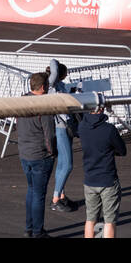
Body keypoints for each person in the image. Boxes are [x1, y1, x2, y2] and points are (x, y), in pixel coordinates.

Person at [16, 71, 57, 238]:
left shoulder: (20, 102)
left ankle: (29, 228)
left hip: (25, 153)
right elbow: (49, 135)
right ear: (42, 87)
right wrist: (52, 152)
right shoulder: (43, 106)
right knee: (39, 195)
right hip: (40, 155)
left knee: (31, 191)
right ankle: (38, 231)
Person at [78, 107, 127, 239]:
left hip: (90, 180)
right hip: (107, 180)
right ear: (101, 109)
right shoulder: (109, 129)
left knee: (90, 219)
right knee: (109, 222)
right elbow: (122, 150)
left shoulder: (82, 127)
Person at [47, 60, 80, 214]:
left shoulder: (60, 85)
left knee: (62, 163)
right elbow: (53, 64)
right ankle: (55, 199)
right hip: (60, 128)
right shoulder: (52, 85)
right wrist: (56, 64)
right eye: (65, 72)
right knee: (67, 165)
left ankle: (61, 194)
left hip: (66, 126)